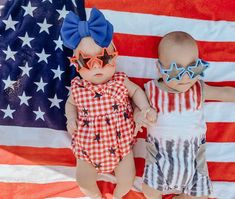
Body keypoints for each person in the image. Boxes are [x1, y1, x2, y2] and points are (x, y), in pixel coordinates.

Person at [60, 8, 157, 199]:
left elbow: (136, 91)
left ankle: (118, 195)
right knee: (83, 180)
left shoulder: (120, 81)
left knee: (127, 178)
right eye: (86, 61)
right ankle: (95, 196)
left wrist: (144, 107)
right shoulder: (78, 87)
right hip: (87, 148)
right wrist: (71, 118)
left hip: (120, 145)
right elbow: (70, 105)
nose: (96, 66)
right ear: (76, 64)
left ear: (114, 57)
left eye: (103, 58)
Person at [134, 31, 235, 199]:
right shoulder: (151, 90)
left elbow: (224, 93)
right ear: (159, 68)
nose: (186, 77)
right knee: (149, 191)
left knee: (201, 196)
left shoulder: (198, 89)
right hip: (159, 159)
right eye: (176, 71)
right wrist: (140, 115)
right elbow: (136, 105)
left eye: (194, 68)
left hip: (193, 160)